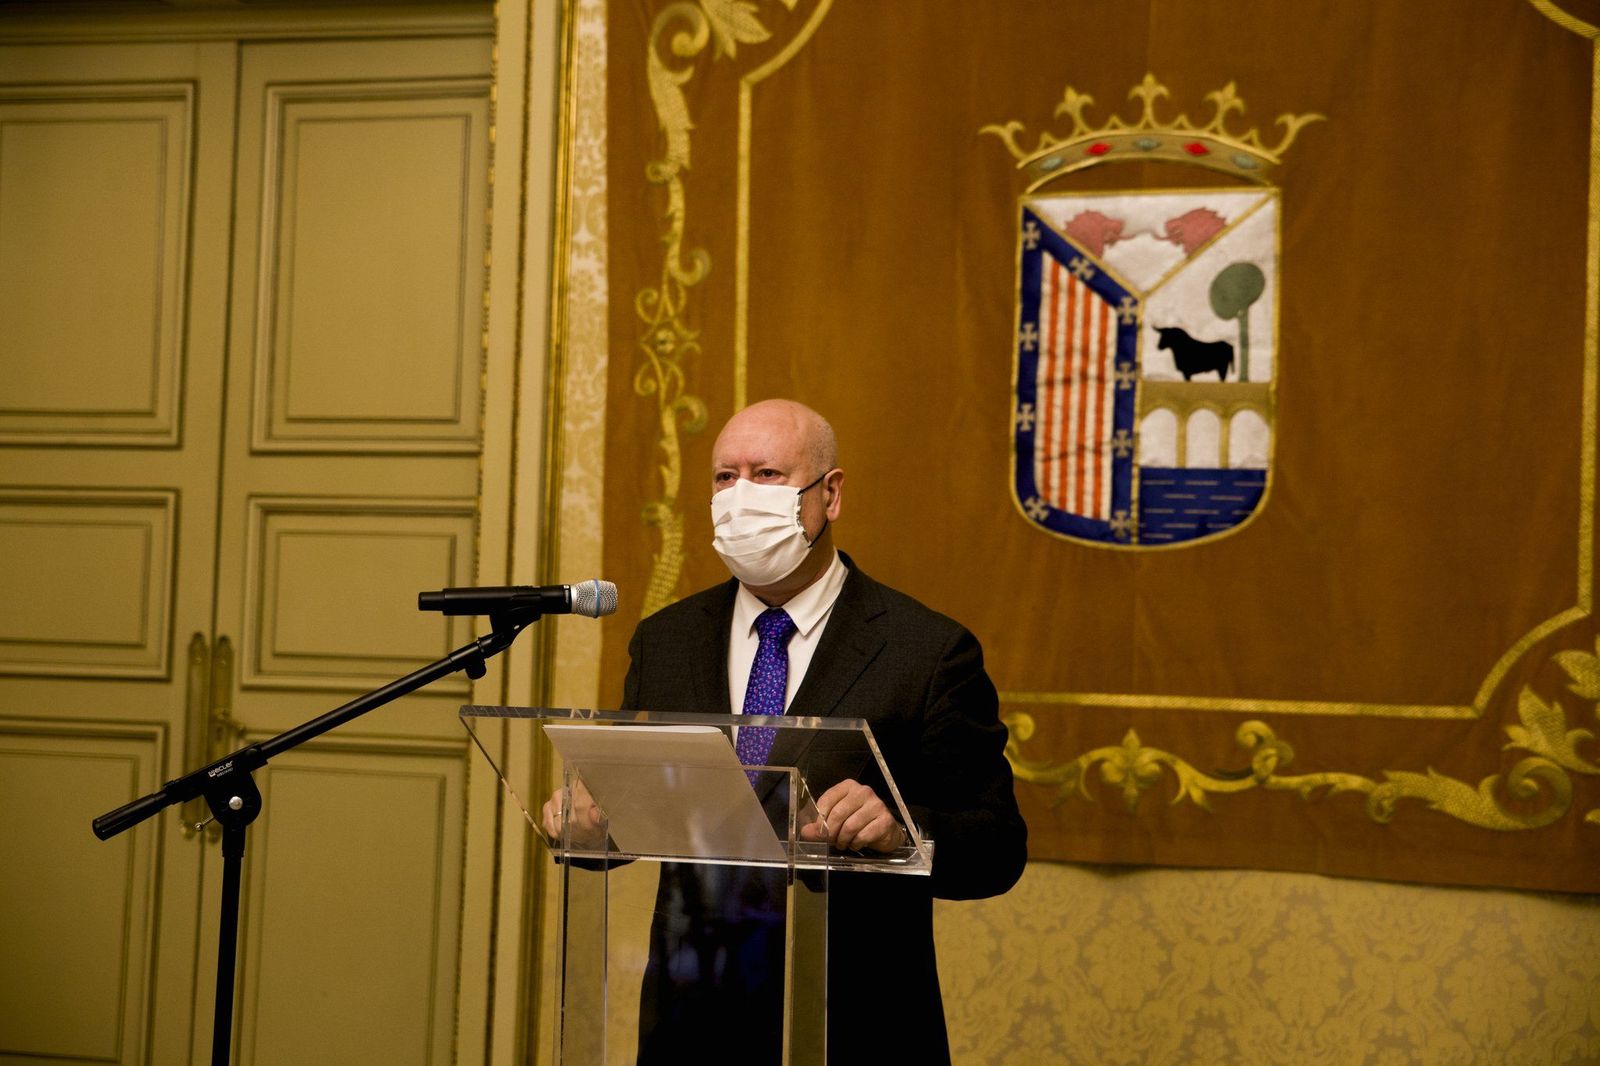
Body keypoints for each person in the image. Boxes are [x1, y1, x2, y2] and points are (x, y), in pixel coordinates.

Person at [543, 398, 1026, 1065]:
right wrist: (594, 827)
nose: (741, 496)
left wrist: (898, 832)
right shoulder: (666, 641)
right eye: (724, 477)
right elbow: (649, 807)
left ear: (830, 494)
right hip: (691, 1025)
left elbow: (998, 848)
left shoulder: (927, 651)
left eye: (767, 474)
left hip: (854, 1026)